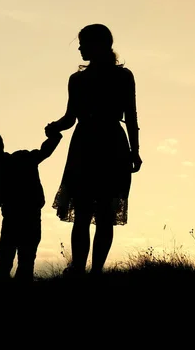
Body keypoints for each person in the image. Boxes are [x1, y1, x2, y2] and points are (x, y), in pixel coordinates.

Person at [45, 23, 142, 276]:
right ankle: (88, 270)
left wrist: (135, 150)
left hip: (90, 145)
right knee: (97, 214)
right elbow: (71, 117)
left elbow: (129, 115)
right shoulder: (114, 77)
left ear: (98, 45)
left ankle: (84, 270)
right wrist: (134, 151)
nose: (79, 48)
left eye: (83, 43)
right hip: (107, 144)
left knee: (91, 213)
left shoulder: (84, 80)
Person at [0, 128, 62, 283]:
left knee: (6, 264)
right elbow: (44, 152)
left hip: (13, 222)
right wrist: (54, 136)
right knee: (24, 262)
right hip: (29, 219)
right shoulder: (22, 159)